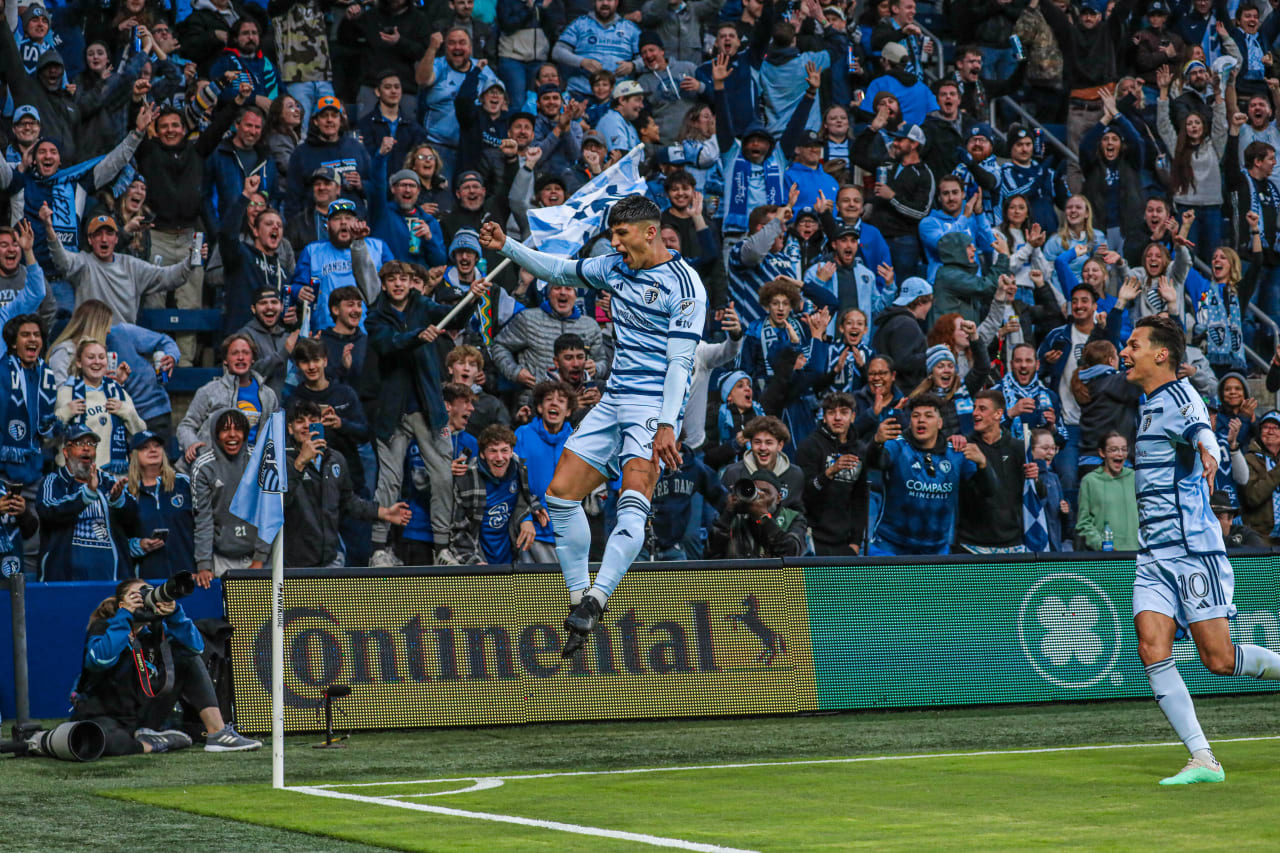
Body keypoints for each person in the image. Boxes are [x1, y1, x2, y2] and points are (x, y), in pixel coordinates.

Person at [478, 195, 706, 657]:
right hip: (615, 396)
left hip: (652, 403)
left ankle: (600, 596)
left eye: (622, 236)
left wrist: (667, 423)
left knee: (635, 491)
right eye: (612, 236)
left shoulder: (686, 285)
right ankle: (582, 600)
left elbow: (682, 362)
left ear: (650, 233)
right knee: (560, 495)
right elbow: (559, 270)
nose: (615, 244)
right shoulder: (613, 268)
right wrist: (509, 247)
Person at [1120, 314, 1280, 785]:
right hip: (1153, 554)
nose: (1124, 352)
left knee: (1218, 659)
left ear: (1161, 353)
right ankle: (1203, 758)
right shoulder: (1147, 403)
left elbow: (1199, 430)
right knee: (1151, 647)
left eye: (1133, 345)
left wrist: (1210, 451)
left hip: (1192, 549)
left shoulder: (1180, 396)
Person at [71, 577, 261, 756]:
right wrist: (124, 617)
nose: (145, 601)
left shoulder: (155, 631)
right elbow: (100, 661)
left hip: (143, 716)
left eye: (148, 595)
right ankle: (153, 744)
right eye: (137, 596)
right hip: (106, 715)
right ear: (122, 604)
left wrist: (175, 614)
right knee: (96, 739)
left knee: (187, 657)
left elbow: (196, 648)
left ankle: (218, 734)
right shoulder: (104, 627)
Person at [283, 399, 411, 568]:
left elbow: (348, 501)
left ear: (321, 423)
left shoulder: (335, 459)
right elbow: (277, 505)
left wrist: (383, 512)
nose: (307, 426)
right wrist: (299, 463)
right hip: (294, 565)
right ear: (290, 428)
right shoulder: (281, 460)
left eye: (313, 421)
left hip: (331, 560)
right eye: (300, 422)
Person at [864, 393, 992, 556]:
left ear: (940, 423)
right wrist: (876, 442)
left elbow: (988, 492)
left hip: (936, 552)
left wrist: (983, 464)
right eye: (916, 416)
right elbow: (874, 462)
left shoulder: (956, 454)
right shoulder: (897, 446)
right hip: (890, 549)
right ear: (910, 421)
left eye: (928, 416)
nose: (921, 420)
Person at [37, 424, 137, 581]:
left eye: (91, 444)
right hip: (65, 579)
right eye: (79, 443)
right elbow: (49, 511)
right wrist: (87, 494)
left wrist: (119, 501)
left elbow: (134, 517)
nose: (86, 448)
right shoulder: (53, 481)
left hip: (111, 577)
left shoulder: (108, 481)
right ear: (66, 451)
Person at [190, 409, 270, 585]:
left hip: (260, 558)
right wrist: (204, 564)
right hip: (222, 559)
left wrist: (259, 558)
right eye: (225, 429)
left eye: (238, 429)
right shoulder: (203, 467)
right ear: (216, 434)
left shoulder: (260, 461)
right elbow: (203, 519)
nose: (232, 435)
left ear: (245, 433)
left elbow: (268, 513)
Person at [178, 334, 280, 464]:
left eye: (246, 353)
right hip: (213, 467)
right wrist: (192, 443)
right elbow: (186, 426)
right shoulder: (209, 391)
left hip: (252, 467)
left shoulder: (268, 395)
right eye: (234, 353)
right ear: (225, 360)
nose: (241, 357)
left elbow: (275, 434)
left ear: (253, 359)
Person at [450, 424, 544, 565]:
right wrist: (474, 562)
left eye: (504, 450)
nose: (499, 457)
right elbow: (458, 531)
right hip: (480, 560)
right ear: (482, 453)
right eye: (493, 451)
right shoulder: (467, 479)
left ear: (512, 451)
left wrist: (531, 512)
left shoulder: (518, 468)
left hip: (512, 561)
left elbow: (526, 494)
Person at [955, 391, 1037, 554]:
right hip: (970, 545)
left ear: (998, 414)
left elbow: (1036, 494)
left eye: (982, 409)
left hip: (1011, 544)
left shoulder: (1018, 448)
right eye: (974, 408)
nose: (975, 413)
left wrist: (1035, 479)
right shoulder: (964, 447)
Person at [54, 339, 146, 475]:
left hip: (113, 477)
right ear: (79, 362)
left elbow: (141, 434)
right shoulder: (67, 393)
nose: (97, 362)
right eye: (91, 357)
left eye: (101, 357)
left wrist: (127, 412)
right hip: (76, 476)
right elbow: (49, 436)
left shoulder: (118, 393)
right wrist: (66, 412)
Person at [795, 391, 864, 556]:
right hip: (813, 538)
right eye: (832, 413)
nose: (838, 418)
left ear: (853, 417)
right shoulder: (809, 446)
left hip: (845, 542)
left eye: (844, 412)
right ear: (824, 418)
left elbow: (860, 500)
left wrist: (855, 542)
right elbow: (803, 493)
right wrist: (829, 472)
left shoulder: (860, 450)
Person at [513, 381, 574, 563]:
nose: (554, 404)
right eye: (549, 400)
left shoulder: (576, 440)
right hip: (532, 533)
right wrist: (524, 517)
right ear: (539, 407)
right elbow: (512, 483)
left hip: (569, 536)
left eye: (561, 401)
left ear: (569, 411)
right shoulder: (522, 434)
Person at [125, 431, 193, 579]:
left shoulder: (183, 483)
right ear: (132, 455)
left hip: (188, 574)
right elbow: (118, 540)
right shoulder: (126, 493)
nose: (153, 450)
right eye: (145, 447)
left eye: (157, 446)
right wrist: (139, 545)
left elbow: (202, 526)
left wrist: (203, 565)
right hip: (148, 579)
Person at [706, 469, 808, 558]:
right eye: (755, 491)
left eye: (765, 492)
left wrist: (763, 517)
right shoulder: (736, 517)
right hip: (741, 577)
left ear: (778, 497)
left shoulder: (794, 518)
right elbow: (711, 555)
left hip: (778, 578)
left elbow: (791, 554)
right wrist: (728, 514)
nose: (758, 497)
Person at [1240, 410, 1280, 545]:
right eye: (1266, 427)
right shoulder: (1249, 459)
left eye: (1276, 427)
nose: (1271, 431)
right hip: (1260, 537)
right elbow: (1253, 496)